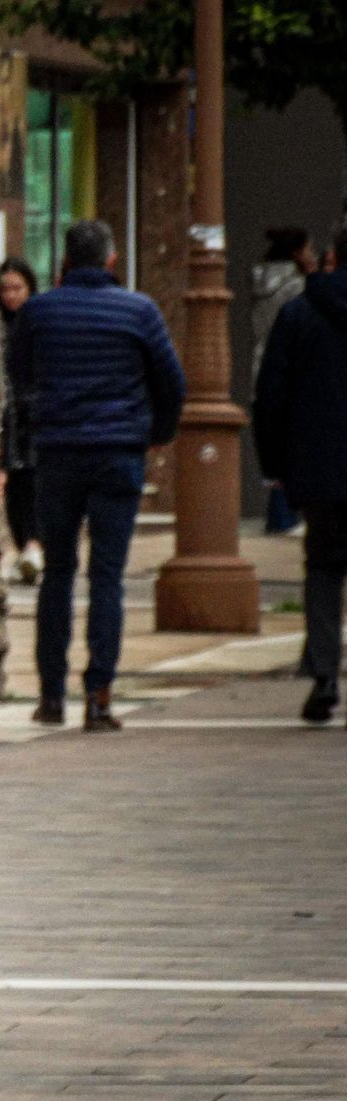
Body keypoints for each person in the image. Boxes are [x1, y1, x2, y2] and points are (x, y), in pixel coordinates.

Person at [12, 220, 185, 731]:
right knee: (107, 575)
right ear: (111, 260)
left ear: (65, 261)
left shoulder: (39, 312)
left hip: (58, 452)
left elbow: (19, 375)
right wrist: (157, 431)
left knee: (58, 574)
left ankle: (50, 696)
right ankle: (100, 696)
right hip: (118, 453)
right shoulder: (139, 310)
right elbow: (171, 381)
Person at [254, 222, 347, 725]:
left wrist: (275, 465)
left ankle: (324, 673)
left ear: (331, 259)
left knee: (325, 568)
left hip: (322, 468)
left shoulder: (298, 315)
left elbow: (270, 397)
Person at [251, 226, 316, 535]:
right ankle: (284, 516)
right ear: (296, 253)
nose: (312, 256)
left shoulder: (260, 281)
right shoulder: (298, 288)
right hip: (290, 372)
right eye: (308, 249)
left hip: (260, 367)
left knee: (273, 441)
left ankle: (278, 513)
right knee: (293, 442)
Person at [0, 256, 43, 583]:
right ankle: (27, 548)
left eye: (17, 288)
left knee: (36, 485)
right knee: (15, 492)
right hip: (7, 420)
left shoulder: (39, 320)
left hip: (37, 418)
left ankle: (34, 548)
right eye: (5, 289)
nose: (11, 295)